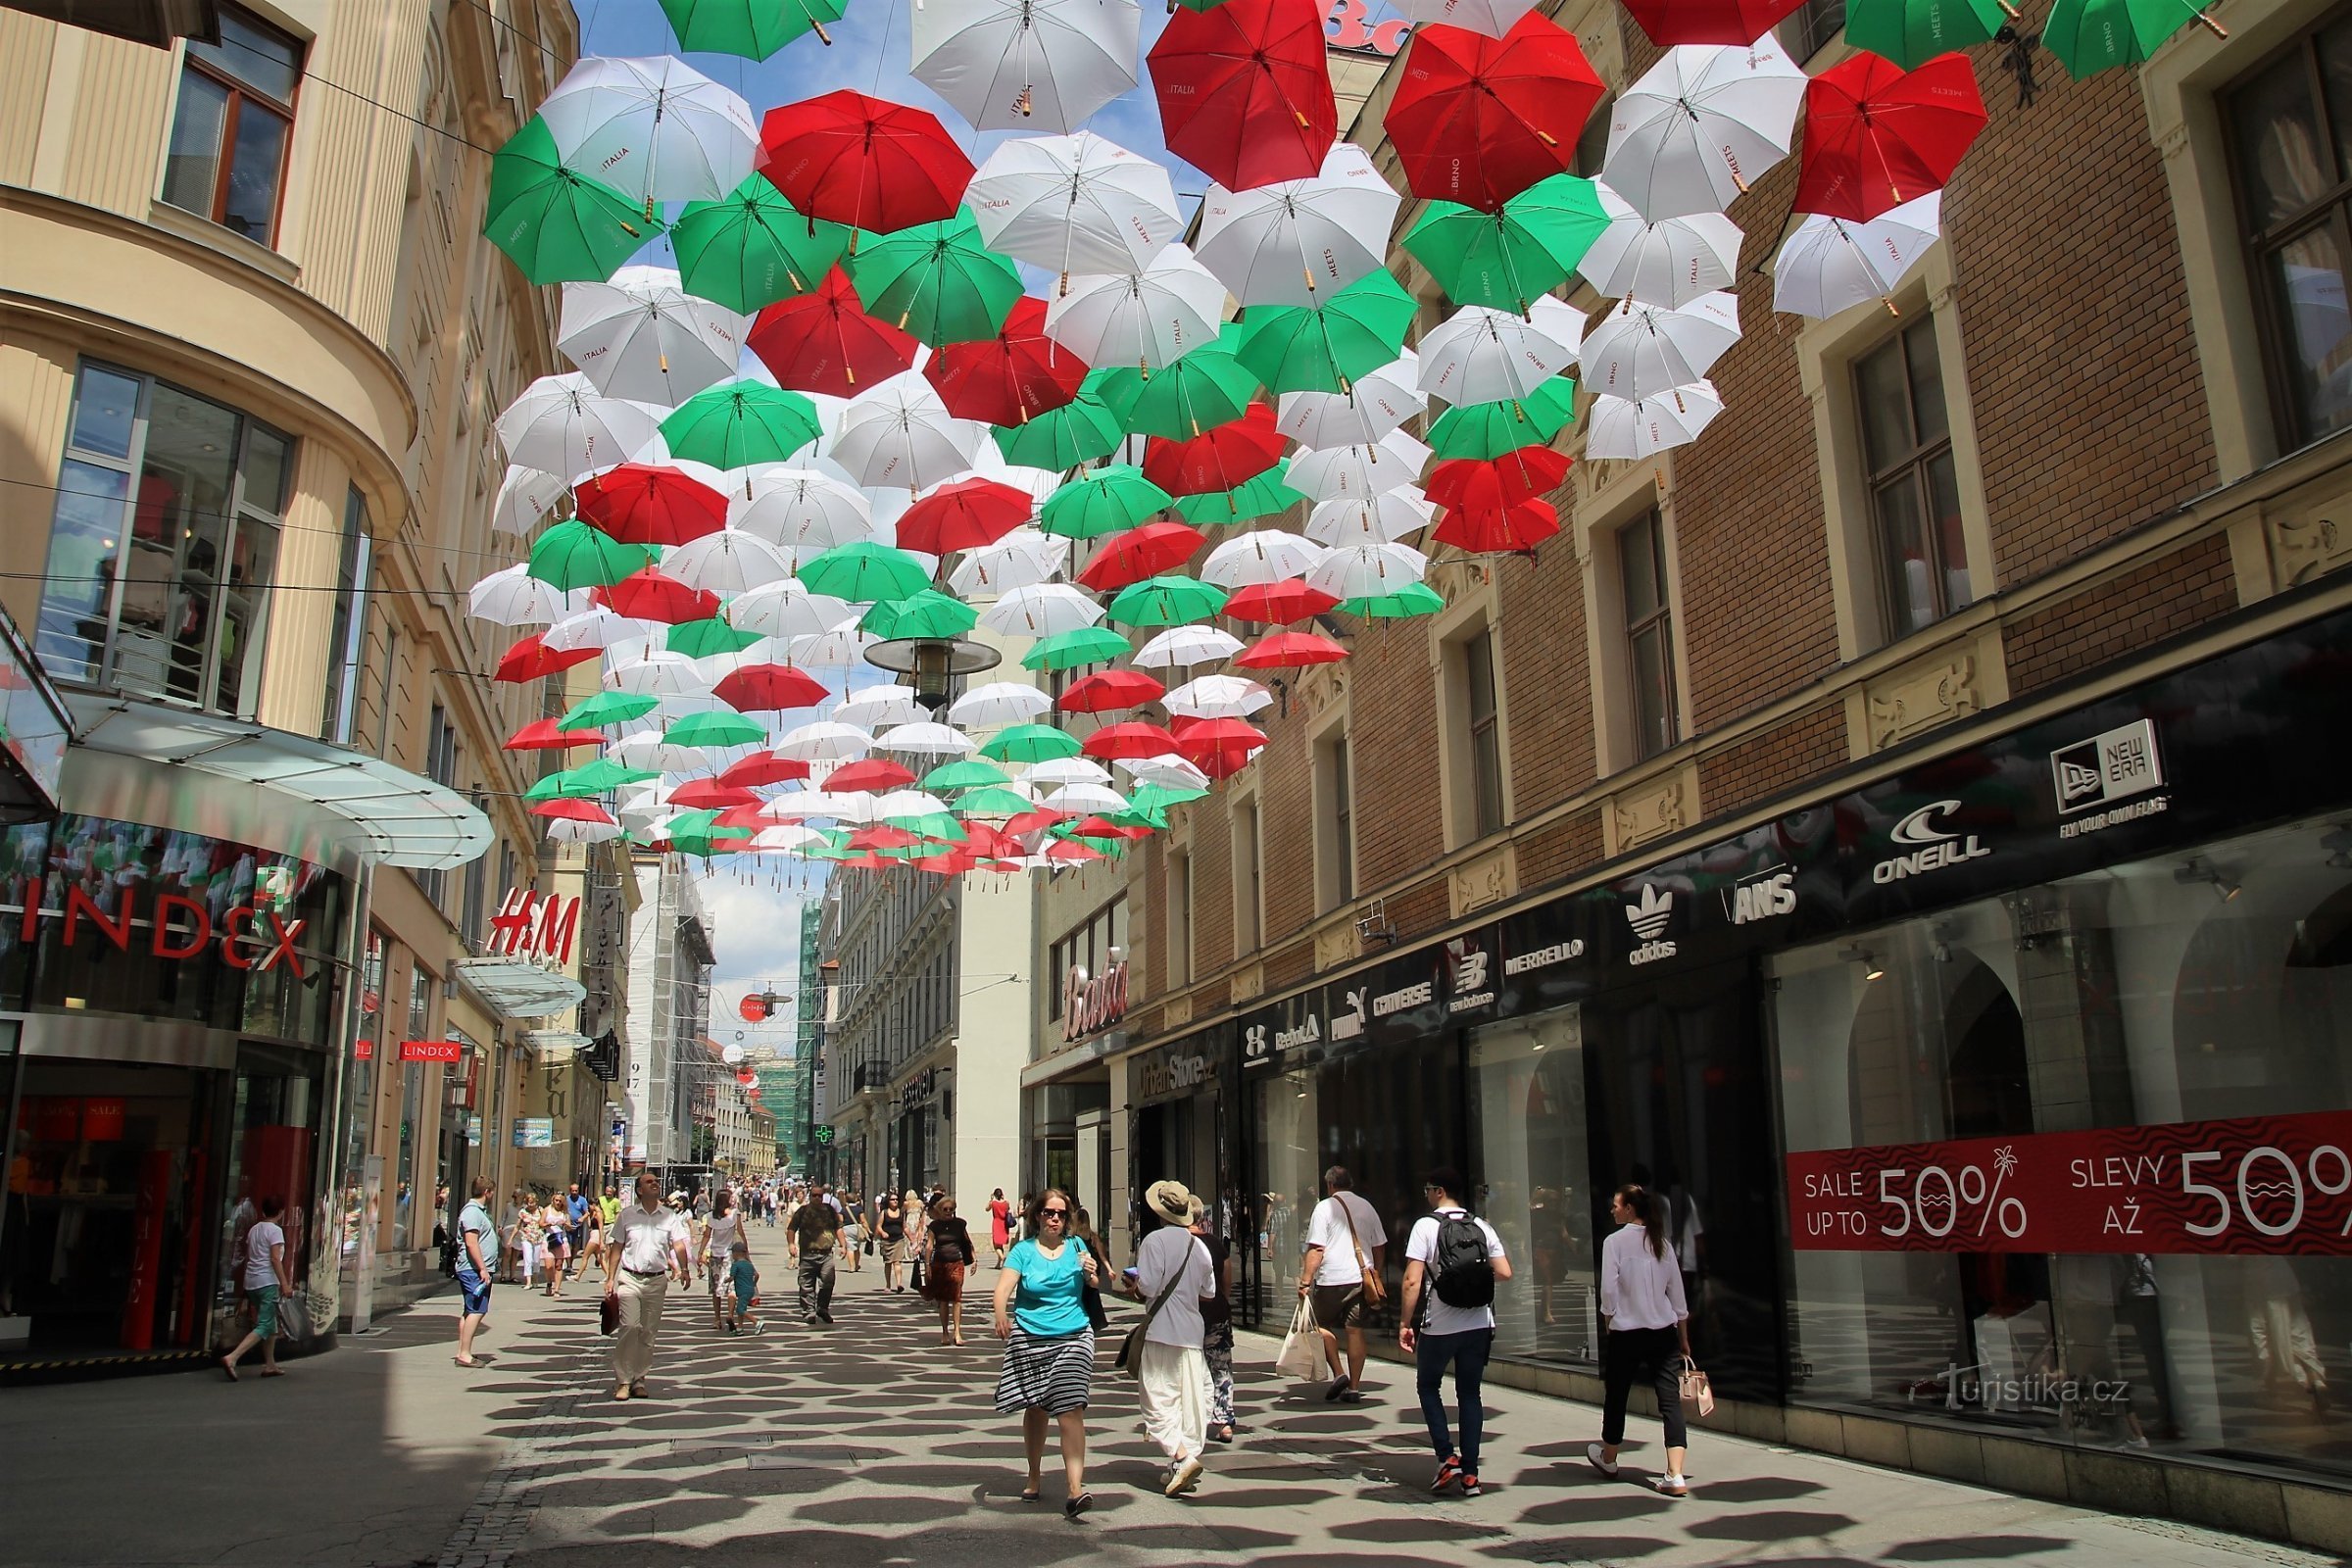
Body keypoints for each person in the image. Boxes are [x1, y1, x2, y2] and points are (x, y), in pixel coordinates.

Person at [1399, 1167, 1512, 1497]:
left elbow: (1411, 1280)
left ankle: (1447, 1457)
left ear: (1438, 1191)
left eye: (1427, 1189)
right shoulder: (1481, 1225)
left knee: (1428, 1386)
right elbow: (1505, 1272)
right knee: (1470, 1394)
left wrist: (1406, 1322)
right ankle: (1472, 1475)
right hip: (1478, 1323)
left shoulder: (1426, 1226)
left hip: (1440, 1324)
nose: (1425, 1194)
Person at [993, 1189, 1104, 1519]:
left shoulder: (1077, 1246)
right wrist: (1000, 1313)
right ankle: (1034, 1473)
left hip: (1074, 1335)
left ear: (1067, 1218)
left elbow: (1094, 1284)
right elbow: (1003, 1288)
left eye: (1059, 1213)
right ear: (1036, 1216)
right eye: (1047, 1212)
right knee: (1038, 1408)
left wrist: (1091, 1272)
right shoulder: (1023, 1251)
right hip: (1030, 1337)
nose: (1053, 1218)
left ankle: (1075, 1488)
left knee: (1071, 1407)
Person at [1588, 1184, 1692, 1494]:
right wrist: (1684, 1338)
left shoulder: (1614, 1242)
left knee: (1617, 1394)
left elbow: (1608, 1287)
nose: (1612, 1210)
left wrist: (1609, 1316)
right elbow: (1678, 1296)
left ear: (1629, 1209)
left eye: (1616, 1205)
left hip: (1627, 1330)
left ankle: (1609, 1457)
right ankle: (1675, 1473)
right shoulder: (1661, 1242)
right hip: (1663, 1331)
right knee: (1669, 1400)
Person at [1131, 1181, 1216, 1497]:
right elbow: (1209, 1292)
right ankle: (1184, 1458)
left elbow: (1149, 1287)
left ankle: (1181, 1457)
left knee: (1156, 1399)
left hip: (1161, 1331)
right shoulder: (1201, 1247)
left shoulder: (1154, 1241)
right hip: (1191, 1333)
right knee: (1192, 1400)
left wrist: (1135, 1286)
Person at [1298, 1165, 1387, 1402]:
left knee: (1315, 1324)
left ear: (1329, 1185)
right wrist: (1374, 1271)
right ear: (1351, 1184)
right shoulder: (1367, 1207)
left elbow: (1317, 1248)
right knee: (1355, 1330)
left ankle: (1338, 1373)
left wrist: (1306, 1280)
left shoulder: (1324, 1207)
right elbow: (1379, 1245)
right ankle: (1355, 1387)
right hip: (1360, 1278)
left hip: (1332, 1279)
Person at [611, 1171, 695, 1402]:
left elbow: (678, 1244)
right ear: (639, 1190)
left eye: (656, 1181)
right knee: (628, 1326)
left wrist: (685, 1269)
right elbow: (617, 1247)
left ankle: (639, 1379)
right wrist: (610, 1277)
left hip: (657, 1280)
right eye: (649, 1182)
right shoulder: (627, 1215)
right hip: (629, 1278)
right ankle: (624, 1380)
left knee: (648, 1332)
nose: (655, 1184)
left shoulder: (669, 1217)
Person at [221, 1194, 291, 1381]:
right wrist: (284, 1283)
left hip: (251, 1281)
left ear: (262, 1210)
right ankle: (232, 1357)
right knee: (265, 1324)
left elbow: (251, 1255)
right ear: (281, 1212)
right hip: (267, 1281)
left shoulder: (254, 1230)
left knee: (271, 1325)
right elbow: (275, 1258)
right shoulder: (275, 1231)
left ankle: (270, 1365)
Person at [1190, 1197, 1238, 1444]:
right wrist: (1223, 1299)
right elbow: (1227, 1277)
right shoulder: (1216, 1244)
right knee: (1220, 1367)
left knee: (1188, 1369)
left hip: (1188, 1316)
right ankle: (1224, 1421)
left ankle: (1192, 1420)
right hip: (1216, 1312)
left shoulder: (1181, 1243)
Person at [453, 1178, 497, 1368]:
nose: (493, 1195)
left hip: (475, 1269)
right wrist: (482, 1269)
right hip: (473, 1270)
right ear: (487, 1191)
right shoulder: (472, 1212)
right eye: (492, 1191)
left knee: (470, 1310)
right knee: (477, 1310)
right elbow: (471, 1242)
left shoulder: (478, 1212)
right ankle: (464, 1353)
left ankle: (463, 1349)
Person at [924, 1193, 973, 1346]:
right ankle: (945, 1332)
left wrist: (974, 1259)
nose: (948, 1212)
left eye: (951, 1209)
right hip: (939, 1264)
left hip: (956, 1263)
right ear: (939, 1210)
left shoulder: (960, 1224)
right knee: (943, 1300)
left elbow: (967, 1242)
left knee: (957, 1298)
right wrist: (927, 1265)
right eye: (945, 1209)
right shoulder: (934, 1226)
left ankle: (957, 1332)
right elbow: (930, 1245)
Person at [789, 1181, 841, 1325]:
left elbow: (838, 1228)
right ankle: (809, 1312)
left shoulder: (829, 1211)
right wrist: (791, 1244)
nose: (817, 1198)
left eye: (820, 1196)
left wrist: (843, 1245)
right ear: (810, 1197)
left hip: (826, 1254)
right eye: (814, 1196)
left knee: (828, 1281)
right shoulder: (803, 1211)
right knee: (806, 1284)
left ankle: (822, 1308)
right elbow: (791, 1228)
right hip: (807, 1254)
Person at [700, 1189, 745, 1330]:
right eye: (731, 1197)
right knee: (731, 1286)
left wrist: (700, 1252)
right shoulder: (734, 1215)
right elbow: (740, 1232)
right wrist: (745, 1251)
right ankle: (730, 1314)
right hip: (730, 1254)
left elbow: (706, 1236)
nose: (733, 1199)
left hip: (715, 1254)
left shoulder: (710, 1217)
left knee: (716, 1288)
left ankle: (717, 1319)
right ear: (726, 1200)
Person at [1070, 1206, 1110, 1332]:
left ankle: (1084, 1319)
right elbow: (1102, 1255)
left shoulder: (1073, 1238)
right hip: (1093, 1269)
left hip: (1081, 1269)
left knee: (1082, 1296)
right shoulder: (1093, 1236)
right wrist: (1109, 1269)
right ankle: (1095, 1322)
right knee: (1093, 1296)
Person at [724, 1241, 761, 1335]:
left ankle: (756, 1322)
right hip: (750, 1290)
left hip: (742, 1290)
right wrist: (753, 1284)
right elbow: (756, 1275)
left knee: (740, 1310)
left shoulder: (736, 1265)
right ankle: (740, 1328)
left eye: (732, 1253)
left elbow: (732, 1277)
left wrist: (726, 1281)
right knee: (742, 1307)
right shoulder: (749, 1264)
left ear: (736, 1253)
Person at [541, 1193, 571, 1298]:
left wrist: (566, 1225)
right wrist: (548, 1224)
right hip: (549, 1239)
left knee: (558, 1265)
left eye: (560, 1201)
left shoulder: (565, 1212)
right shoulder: (547, 1210)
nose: (558, 1203)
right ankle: (549, 1282)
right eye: (556, 1200)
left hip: (561, 1239)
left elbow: (569, 1227)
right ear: (553, 1200)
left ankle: (557, 1289)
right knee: (549, 1266)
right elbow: (540, 1223)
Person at [878, 1192, 907, 1293]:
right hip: (887, 1241)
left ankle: (899, 1284)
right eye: (892, 1199)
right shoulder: (884, 1213)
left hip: (899, 1240)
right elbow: (878, 1226)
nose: (895, 1201)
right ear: (888, 1201)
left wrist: (912, 1238)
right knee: (888, 1263)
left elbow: (904, 1227)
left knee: (897, 1262)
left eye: (896, 1199)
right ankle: (888, 1285)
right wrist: (882, 1232)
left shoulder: (901, 1213)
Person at [564, 1183, 593, 1281]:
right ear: (570, 1190)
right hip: (567, 1225)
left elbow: (587, 1213)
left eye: (576, 1190)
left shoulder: (582, 1200)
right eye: (573, 1191)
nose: (574, 1192)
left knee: (575, 1245)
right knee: (567, 1245)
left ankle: (571, 1262)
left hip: (577, 1226)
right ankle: (568, 1265)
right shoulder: (566, 1199)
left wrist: (582, 1218)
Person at [989, 1188, 1013, 1267]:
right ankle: (998, 1264)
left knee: (996, 1244)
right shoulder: (1007, 1203)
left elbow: (986, 1209)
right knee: (1001, 1244)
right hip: (1004, 1224)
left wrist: (991, 1199)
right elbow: (1008, 1210)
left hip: (997, 1223)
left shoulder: (994, 1203)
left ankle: (1002, 1258)